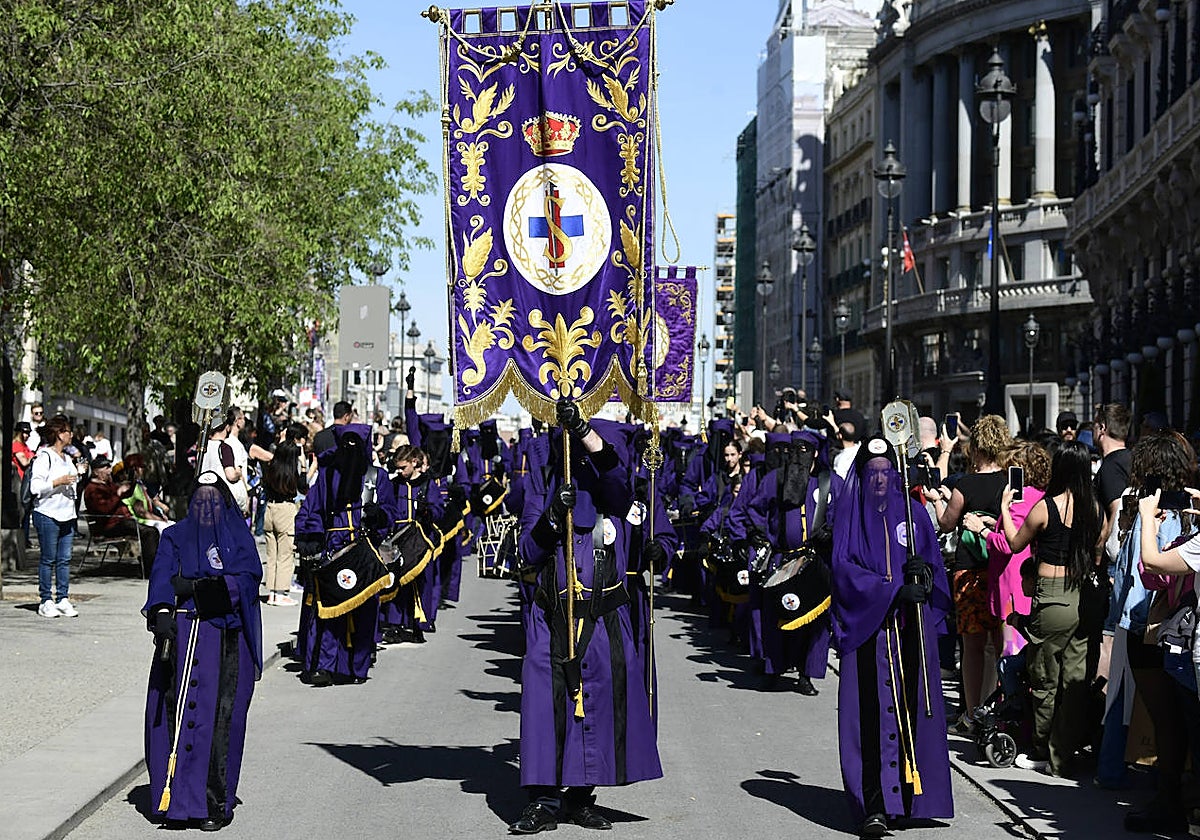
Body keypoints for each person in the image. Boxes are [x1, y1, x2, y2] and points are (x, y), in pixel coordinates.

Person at [508, 400, 661, 834]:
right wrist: (553, 516)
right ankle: (542, 799)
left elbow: (617, 480)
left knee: (594, 703)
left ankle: (580, 797)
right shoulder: (544, 488)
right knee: (545, 701)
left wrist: (585, 431)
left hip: (601, 617)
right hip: (551, 617)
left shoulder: (613, 493)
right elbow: (527, 553)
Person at [830, 437, 954, 838]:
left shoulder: (915, 516)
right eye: (873, 472)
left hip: (908, 630)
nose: (880, 480)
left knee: (914, 707)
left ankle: (908, 798)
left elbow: (934, 567)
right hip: (870, 630)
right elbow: (843, 570)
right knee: (869, 713)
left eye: (887, 472)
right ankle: (874, 804)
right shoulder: (850, 517)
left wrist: (923, 576)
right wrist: (889, 591)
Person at [143, 473, 263, 831]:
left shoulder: (238, 537)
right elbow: (162, 578)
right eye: (200, 501)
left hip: (224, 639)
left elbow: (247, 580)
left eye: (213, 502)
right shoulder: (174, 535)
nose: (206, 508)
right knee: (171, 716)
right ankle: (173, 799)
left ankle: (213, 803)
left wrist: (202, 587)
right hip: (181, 638)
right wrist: (162, 611)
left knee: (219, 721)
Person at [999, 440, 1103, 776]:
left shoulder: (1047, 507)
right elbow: (1099, 549)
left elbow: (1015, 544)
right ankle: (1062, 756)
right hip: (1084, 595)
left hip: (1053, 596)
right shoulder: (1095, 509)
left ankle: (1041, 750)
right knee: (1074, 681)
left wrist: (1004, 509)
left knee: (1044, 679)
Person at [294, 421, 397, 686]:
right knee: (329, 610)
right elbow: (312, 509)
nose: (351, 448)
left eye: (356, 443)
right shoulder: (328, 475)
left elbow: (390, 513)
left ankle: (357, 668)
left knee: (365, 612)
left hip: (364, 548)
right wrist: (311, 537)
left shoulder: (377, 477)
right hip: (334, 548)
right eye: (346, 442)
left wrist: (380, 515)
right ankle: (325, 667)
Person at [929, 414, 1011, 728]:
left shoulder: (966, 484)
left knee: (972, 646)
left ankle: (972, 711)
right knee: (1000, 644)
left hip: (970, 573)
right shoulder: (1010, 482)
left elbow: (947, 523)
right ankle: (998, 709)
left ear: (975, 448)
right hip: (1000, 570)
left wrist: (938, 500)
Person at [30, 415, 81, 618]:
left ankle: (62, 598)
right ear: (60, 434)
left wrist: (77, 475)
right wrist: (57, 481)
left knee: (64, 559)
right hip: (48, 513)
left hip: (67, 513)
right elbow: (36, 487)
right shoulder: (44, 456)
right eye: (68, 431)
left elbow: (72, 484)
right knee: (48, 558)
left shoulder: (67, 458)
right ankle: (45, 600)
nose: (71, 435)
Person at [82, 455, 161, 570]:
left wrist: (132, 482)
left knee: (153, 530)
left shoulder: (108, 485)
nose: (110, 471)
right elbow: (104, 509)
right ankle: (150, 569)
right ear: (96, 472)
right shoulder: (92, 489)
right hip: (109, 526)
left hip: (120, 521)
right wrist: (118, 493)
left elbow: (126, 494)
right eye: (106, 468)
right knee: (149, 532)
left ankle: (151, 563)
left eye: (109, 467)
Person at [262, 439, 305, 606]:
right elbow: (303, 486)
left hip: (270, 508)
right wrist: (303, 466)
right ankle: (280, 593)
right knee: (286, 554)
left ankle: (272, 592)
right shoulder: (291, 472)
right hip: (285, 509)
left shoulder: (271, 468)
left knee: (272, 554)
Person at [1094, 403, 1132, 558]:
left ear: (1103, 428)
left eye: (1095, 425)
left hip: (1115, 559)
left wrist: (1100, 548)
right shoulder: (1131, 458)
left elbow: (1117, 510)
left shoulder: (1111, 467)